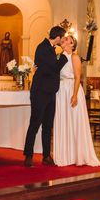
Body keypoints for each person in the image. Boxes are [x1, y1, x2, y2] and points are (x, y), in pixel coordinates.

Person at [53, 36, 100, 167]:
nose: (63, 40)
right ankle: (65, 154)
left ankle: (78, 155)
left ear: (72, 43)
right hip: (61, 91)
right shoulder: (58, 56)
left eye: (67, 39)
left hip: (71, 89)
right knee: (64, 120)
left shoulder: (74, 57)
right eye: (63, 39)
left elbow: (77, 77)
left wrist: (74, 95)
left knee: (74, 121)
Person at [23, 26, 68, 167]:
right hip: (40, 92)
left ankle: (46, 156)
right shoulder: (42, 47)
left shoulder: (52, 49)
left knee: (48, 126)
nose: (63, 41)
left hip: (50, 92)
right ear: (58, 37)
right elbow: (54, 67)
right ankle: (28, 156)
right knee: (35, 124)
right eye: (63, 38)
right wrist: (65, 55)